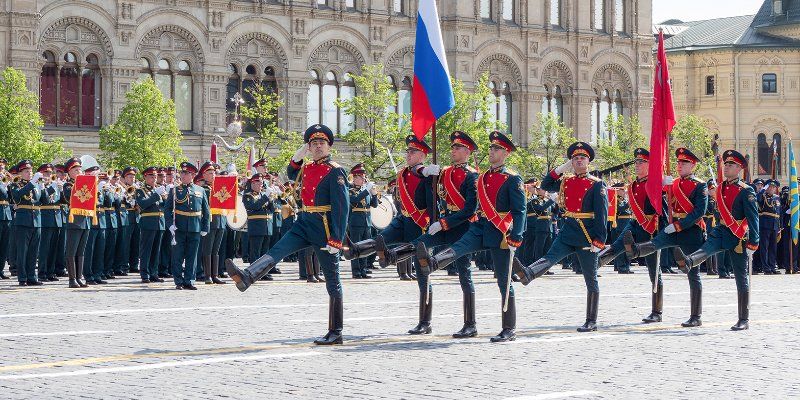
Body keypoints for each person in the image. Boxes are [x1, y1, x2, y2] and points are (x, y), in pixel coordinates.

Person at [226, 124, 349, 345]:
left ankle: (336, 330)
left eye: (321, 143)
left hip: (324, 227)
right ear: (309, 148)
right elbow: (292, 173)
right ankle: (247, 276)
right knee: (278, 249)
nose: (318, 146)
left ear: (329, 145)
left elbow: (342, 207)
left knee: (332, 279)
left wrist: (337, 239)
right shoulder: (308, 167)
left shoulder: (336, 170)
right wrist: (296, 158)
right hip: (304, 222)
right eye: (313, 144)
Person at [417, 131, 525, 342]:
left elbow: (520, 211)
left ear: (505, 153)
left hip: (501, 230)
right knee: (459, 248)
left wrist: (517, 236)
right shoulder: (483, 176)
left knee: (503, 280)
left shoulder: (512, 178)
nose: (491, 152)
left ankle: (509, 327)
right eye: (491, 148)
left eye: (496, 149)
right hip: (482, 225)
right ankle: (432, 263)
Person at [513, 141, 608, 332]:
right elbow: (546, 184)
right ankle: (528, 274)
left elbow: (602, 214)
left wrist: (599, 240)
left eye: (582, 158)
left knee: (590, 278)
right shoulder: (567, 181)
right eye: (575, 158)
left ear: (588, 161)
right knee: (549, 257)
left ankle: (591, 320)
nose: (579, 160)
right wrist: (561, 168)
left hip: (586, 235)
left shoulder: (597, 185)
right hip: (568, 231)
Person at [673, 150, 759, 331]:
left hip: (738, 236)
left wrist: (754, 241)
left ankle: (743, 319)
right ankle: (688, 261)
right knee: (706, 249)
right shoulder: (720, 188)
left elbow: (753, 218)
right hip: (721, 231)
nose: (726, 167)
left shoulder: (746, 190)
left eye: (730, 165)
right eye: (725, 164)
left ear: (739, 168)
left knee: (741, 278)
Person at [622, 148, 708, 327]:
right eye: (678, 162)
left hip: (690, 231)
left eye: (684, 163)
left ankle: (696, 316)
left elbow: (699, 212)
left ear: (693, 165)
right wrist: (660, 184)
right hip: (672, 229)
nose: (679, 166)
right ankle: (636, 250)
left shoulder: (700, 185)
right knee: (655, 243)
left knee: (693, 274)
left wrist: (678, 225)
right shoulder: (672, 183)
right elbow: (656, 198)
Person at [597, 149, 667, 323]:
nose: (637, 165)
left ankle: (656, 311)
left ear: (651, 165)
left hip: (650, 228)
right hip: (635, 224)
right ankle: (592, 265)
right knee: (614, 248)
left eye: (641, 162)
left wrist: (665, 187)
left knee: (653, 270)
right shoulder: (634, 184)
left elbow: (664, 209)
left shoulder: (656, 184)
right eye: (636, 162)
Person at [165, 162, 210, 290]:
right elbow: (167, 209)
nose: (183, 175)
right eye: (182, 173)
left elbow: (206, 210)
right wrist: (170, 225)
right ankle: (178, 281)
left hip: (195, 228)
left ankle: (189, 280)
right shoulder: (175, 190)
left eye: (186, 173)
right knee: (177, 256)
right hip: (179, 227)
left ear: (193, 175)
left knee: (192, 256)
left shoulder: (200, 190)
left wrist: (205, 227)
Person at [11, 160, 44, 286]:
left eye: (30, 171)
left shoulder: (35, 185)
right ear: (20, 173)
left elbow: (43, 200)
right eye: (26, 171)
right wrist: (31, 183)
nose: (29, 173)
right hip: (23, 221)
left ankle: (32, 277)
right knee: (22, 251)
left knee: (33, 251)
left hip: (36, 220)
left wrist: (43, 188)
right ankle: (22, 277)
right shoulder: (16, 185)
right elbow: (17, 197)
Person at [347, 163, 379, 279]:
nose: (364, 179)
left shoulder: (365, 191)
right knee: (356, 247)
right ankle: (356, 272)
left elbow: (374, 205)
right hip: (356, 222)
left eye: (364, 177)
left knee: (366, 248)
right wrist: (367, 190)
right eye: (362, 177)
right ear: (355, 178)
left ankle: (363, 270)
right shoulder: (350, 190)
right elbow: (354, 200)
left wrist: (374, 194)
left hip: (367, 222)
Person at [136, 166, 167, 284]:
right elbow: (143, 204)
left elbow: (165, 205)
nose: (154, 178)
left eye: (155, 176)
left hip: (160, 222)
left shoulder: (159, 189)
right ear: (145, 177)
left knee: (156, 250)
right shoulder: (141, 190)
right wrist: (155, 195)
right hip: (148, 222)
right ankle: (145, 274)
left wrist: (167, 196)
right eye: (151, 176)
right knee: (146, 250)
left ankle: (154, 273)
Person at [242, 173, 275, 283]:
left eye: (262, 183)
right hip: (256, 226)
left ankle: (263, 273)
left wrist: (270, 199)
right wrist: (266, 196)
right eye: (259, 182)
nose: (261, 185)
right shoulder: (248, 195)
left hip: (266, 226)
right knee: (255, 252)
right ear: (253, 183)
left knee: (265, 253)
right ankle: (253, 273)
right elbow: (254, 207)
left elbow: (272, 210)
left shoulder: (263, 195)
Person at [758, 179, 781, 274]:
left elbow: (780, 213)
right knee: (765, 247)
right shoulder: (762, 196)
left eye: (774, 187)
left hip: (775, 225)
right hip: (765, 225)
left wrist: (781, 226)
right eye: (770, 187)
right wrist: (763, 189)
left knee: (773, 247)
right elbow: (757, 199)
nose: (772, 189)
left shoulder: (777, 198)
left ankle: (772, 266)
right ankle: (766, 267)